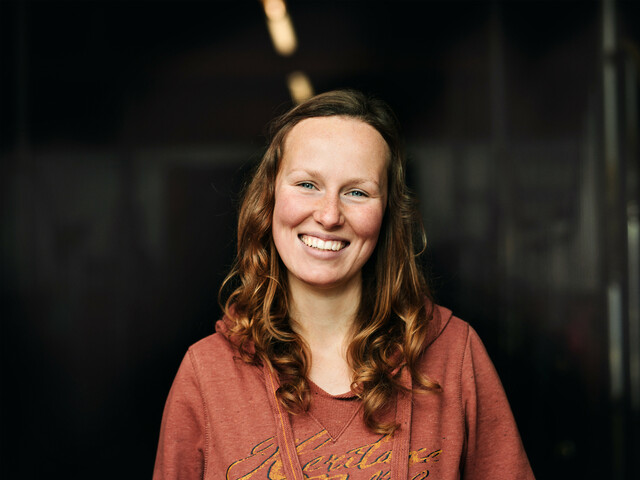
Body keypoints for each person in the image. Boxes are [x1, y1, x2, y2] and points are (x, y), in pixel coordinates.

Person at [153, 89, 534, 479]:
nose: (330, 215)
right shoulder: (205, 373)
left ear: (388, 214)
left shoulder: (455, 354)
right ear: (268, 197)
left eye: (357, 192)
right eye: (307, 185)